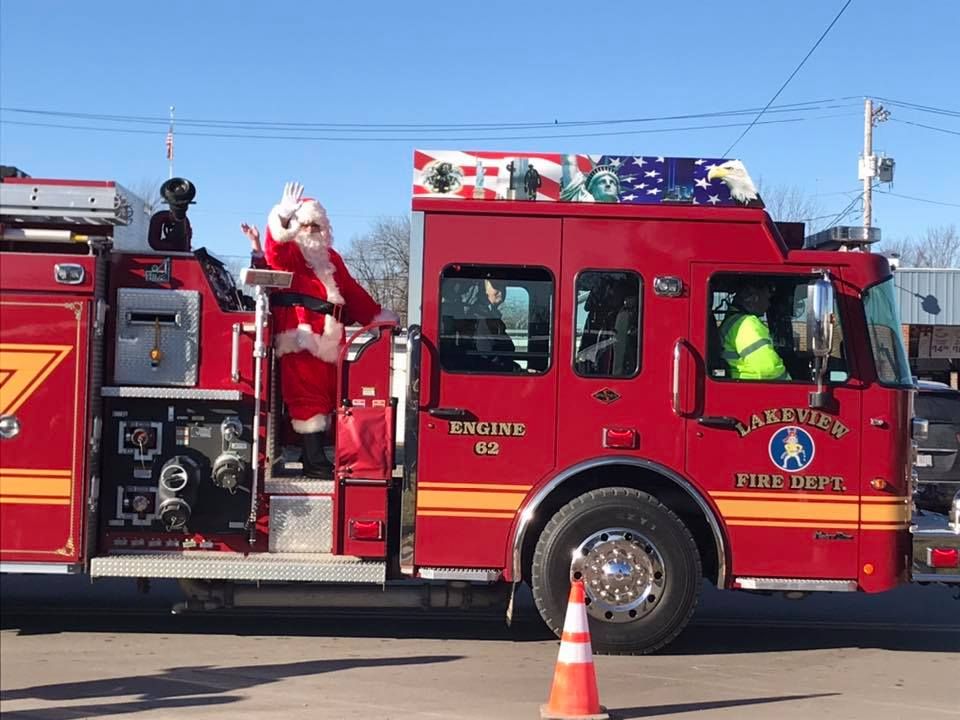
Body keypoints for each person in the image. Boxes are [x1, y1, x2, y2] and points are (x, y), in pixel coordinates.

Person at [256, 182, 398, 477]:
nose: (311, 230)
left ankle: (315, 452)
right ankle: (314, 460)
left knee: (327, 396)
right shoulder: (291, 254)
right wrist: (282, 217)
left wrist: (379, 318)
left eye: (316, 225)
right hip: (301, 338)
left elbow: (354, 294)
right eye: (305, 225)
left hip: (331, 341)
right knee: (306, 397)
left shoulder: (332, 259)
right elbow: (274, 251)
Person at [719, 281, 789, 381]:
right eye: (767, 299)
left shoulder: (732, 321)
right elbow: (768, 369)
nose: (769, 305)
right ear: (754, 298)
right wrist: (791, 383)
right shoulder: (747, 324)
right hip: (753, 388)